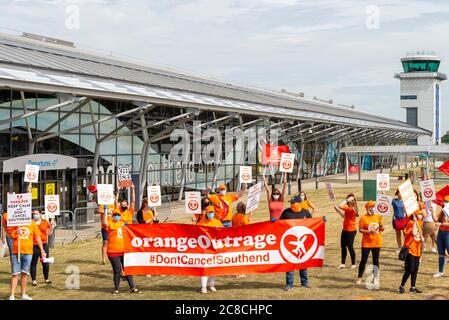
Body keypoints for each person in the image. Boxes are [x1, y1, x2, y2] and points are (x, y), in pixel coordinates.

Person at [102, 208, 141, 295]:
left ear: (120, 217)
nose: (117, 216)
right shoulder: (110, 224)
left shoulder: (124, 224)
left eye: (118, 215)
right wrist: (106, 212)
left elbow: (135, 229)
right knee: (117, 270)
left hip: (124, 251)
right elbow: (105, 223)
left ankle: (132, 287)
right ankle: (116, 289)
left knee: (127, 270)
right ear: (112, 216)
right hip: (113, 251)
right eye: (115, 215)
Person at [280, 196, 312, 291]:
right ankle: (289, 284)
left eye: (294, 203)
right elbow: (279, 223)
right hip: (290, 243)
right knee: (290, 263)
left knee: (303, 263)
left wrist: (322, 220)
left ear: (299, 203)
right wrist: (274, 222)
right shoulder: (286, 212)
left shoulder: (305, 212)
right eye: (291, 203)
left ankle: (304, 282)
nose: (292, 205)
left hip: (303, 242)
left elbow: (312, 224)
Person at [9, 218, 46, 300]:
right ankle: (12, 295)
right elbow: (11, 235)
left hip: (28, 252)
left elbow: (38, 237)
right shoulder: (16, 222)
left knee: (25, 274)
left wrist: (42, 250)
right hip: (16, 252)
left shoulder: (32, 224)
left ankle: (23, 294)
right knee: (15, 274)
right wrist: (16, 232)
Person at [398, 204, 425, 294]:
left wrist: (422, 238)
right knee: (410, 269)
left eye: (421, 214)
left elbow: (419, 234)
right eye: (419, 214)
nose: (421, 215)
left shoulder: (420, 223)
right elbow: (413, 233)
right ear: (416, 215)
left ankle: (412, 287)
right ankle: (401, 286)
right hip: (410, 249)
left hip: (417, 249)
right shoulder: (410, 223)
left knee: (416, 269)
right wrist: (414, 222)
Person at [356, 200, 384, 286]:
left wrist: (382, 227)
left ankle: (375, 278)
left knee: (376, 261)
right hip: (366, 243)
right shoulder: (363, 218)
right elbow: (360, 229)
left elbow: (382, 229)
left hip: (376, 242)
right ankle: (359, 278)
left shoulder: (379, 216)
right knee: (363, 260)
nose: (372, 208)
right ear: (366, 208)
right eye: (370, 207)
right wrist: (369, 231)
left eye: (373, 206)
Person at [197, 205, 222, 293]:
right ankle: (203, 287)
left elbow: (222, 234)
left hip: (214, 248)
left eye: (212, 212)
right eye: (209, 212)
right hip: (204, 248)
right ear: (206, 213)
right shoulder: (201, 222)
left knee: (213, 267)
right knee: (204, 267)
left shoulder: (218, 222)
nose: (211, 214)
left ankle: (212, 285)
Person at [333, 193, 358, 269]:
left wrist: (346, 200)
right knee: (343, 246)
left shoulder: (352, 209)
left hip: (351, 231)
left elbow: (340, 205)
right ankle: (343, 263)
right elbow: (344, 217)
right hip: (345, 230)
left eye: (351, 200)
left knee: (350, 247)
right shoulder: (348, 208)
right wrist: (337, 210)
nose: (349, 201)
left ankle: (353, 264)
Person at [30, 210, 54, 286]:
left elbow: (49, 233)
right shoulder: (30, 223)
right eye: (33, 214)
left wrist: (52, 227)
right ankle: (34, 280)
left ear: (40, 214)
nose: (34, 215)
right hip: (34, 245)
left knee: (45, 263)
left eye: (36, 214)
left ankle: (46, 279)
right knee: (33, 263)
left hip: (44, 244)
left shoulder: (45, 222)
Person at [433, 195, 449, 278]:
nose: (445, 203)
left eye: (447, 201)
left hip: (447, 234)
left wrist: (442, 224)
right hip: (441, 233)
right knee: (441, 253)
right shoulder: (442, 211)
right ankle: (440, 271)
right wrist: (433, 209)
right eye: (444, 201)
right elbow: (436, 219)